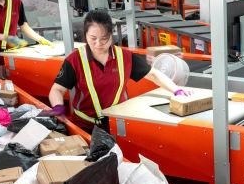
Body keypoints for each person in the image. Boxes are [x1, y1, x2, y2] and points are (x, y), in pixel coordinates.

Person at [47, 9, 188, 132]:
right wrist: (58, 107)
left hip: (117, 124)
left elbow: (153, 74)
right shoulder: (74, 60)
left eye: (104, 38)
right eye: (93, 38)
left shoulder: (125, 57)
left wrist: (176, 90)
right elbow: (57, 90)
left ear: (111, 35)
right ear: (85, 35)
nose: (98, 44)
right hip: (85, 126)